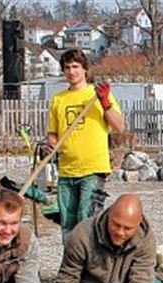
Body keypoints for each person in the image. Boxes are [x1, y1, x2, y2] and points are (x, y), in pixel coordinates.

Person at [46, 49, 126, 239]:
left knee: (87, 222)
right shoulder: (58, 99)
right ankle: (70, 266)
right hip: (66, 171)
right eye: (67, 68)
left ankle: (89, 267)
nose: (71, 71)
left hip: (92, 169)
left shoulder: (96, 95)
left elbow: (119, 126)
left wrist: (106, 103)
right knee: (67, 224)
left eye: (75, 67)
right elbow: (52, 134)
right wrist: (50, 146)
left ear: (84, 69)